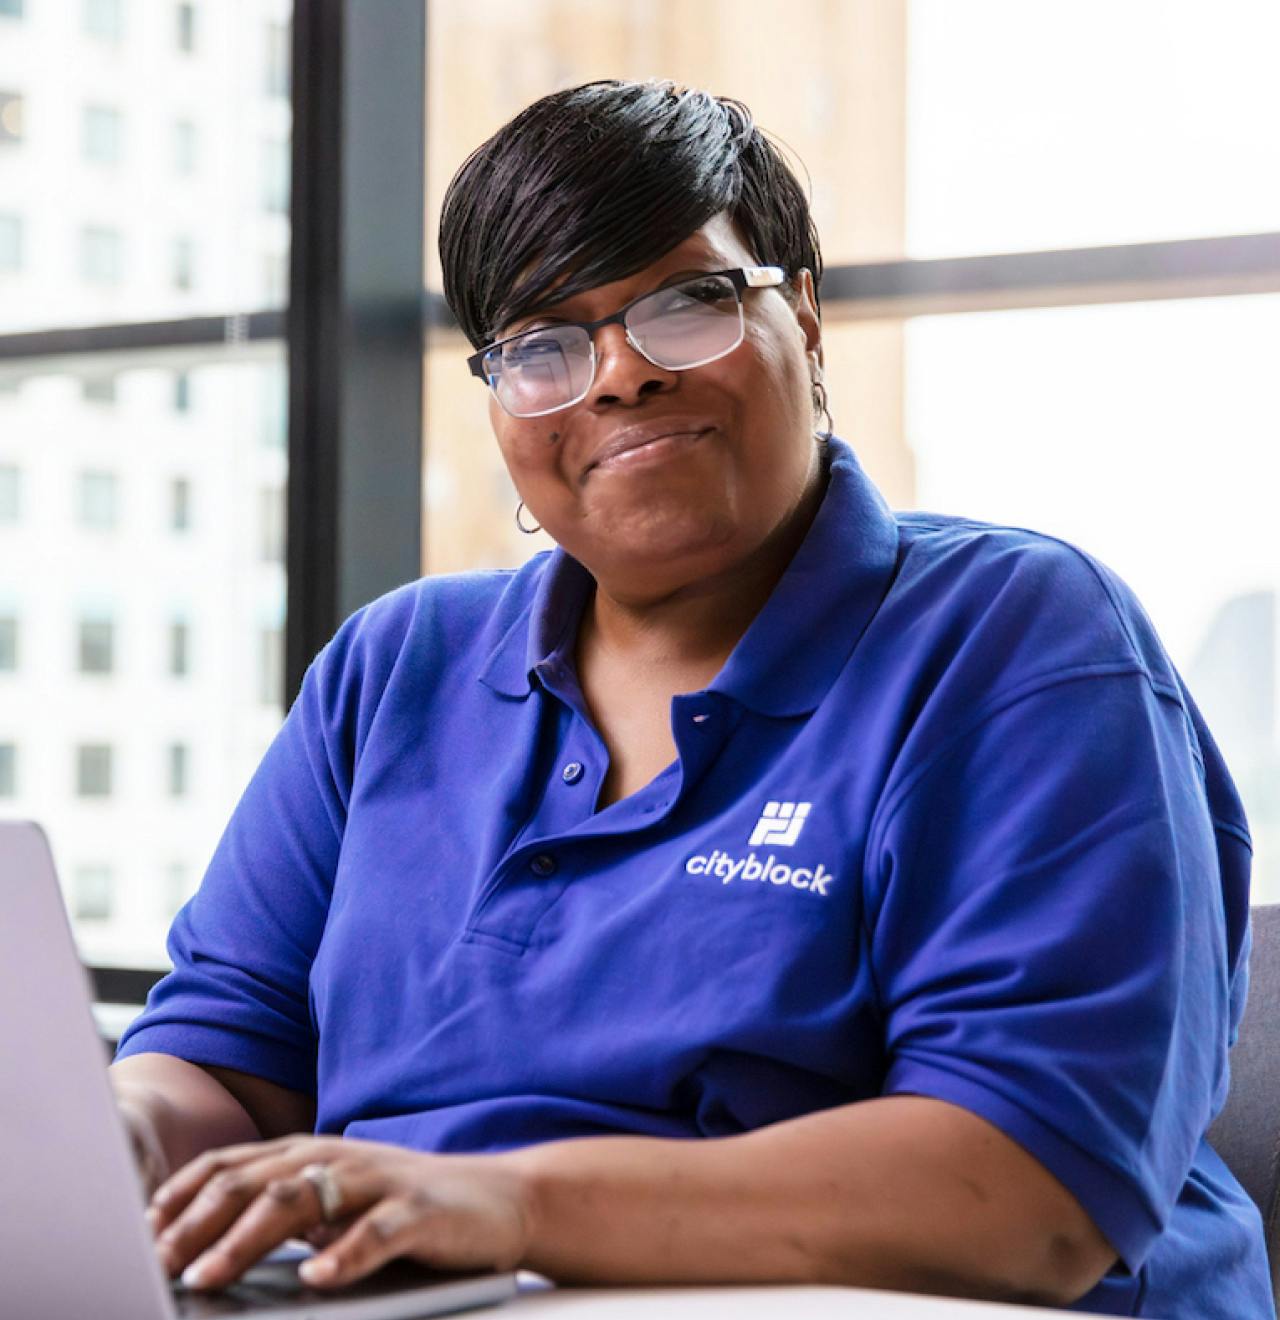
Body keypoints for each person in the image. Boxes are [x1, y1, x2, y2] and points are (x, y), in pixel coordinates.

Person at [109, 80, 1273, 1316]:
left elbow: (1027, 1192)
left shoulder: (1015, 639)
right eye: (542, 345)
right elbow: (231, 1062)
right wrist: (118, 1138)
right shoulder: (393, 667)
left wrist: (508, 1205)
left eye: (684, 303)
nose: (615, 377)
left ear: (805, 321)